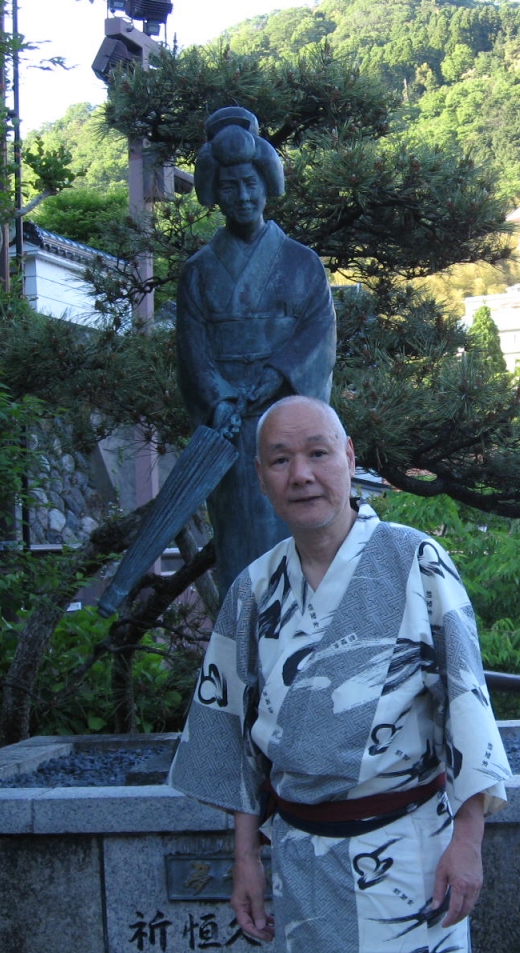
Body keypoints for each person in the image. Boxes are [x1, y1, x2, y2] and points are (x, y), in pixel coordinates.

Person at [169, 396, 512, 953]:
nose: (301, 475)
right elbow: (231, 735)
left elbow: (466, 705)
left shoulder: (415, 561)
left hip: (411, 856)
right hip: (301, 859)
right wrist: (246, 858)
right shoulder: (253, 590)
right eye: (280, 460)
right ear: (260, 476)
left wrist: (468, 841)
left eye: (318, 453)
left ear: (349, 457)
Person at [177, 106, 337, 595]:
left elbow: (318, 331)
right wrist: (218, 399)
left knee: (299, 519)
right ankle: (244, 633)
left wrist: (277, 374)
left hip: (286, 416)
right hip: (229, 422)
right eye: (230, 187)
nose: (243, 197)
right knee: (239, 534)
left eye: (250, 184)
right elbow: (193, 349)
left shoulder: (302, 263)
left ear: (267, 184)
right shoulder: (199, 270)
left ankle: (303, 629)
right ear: (214, 193)